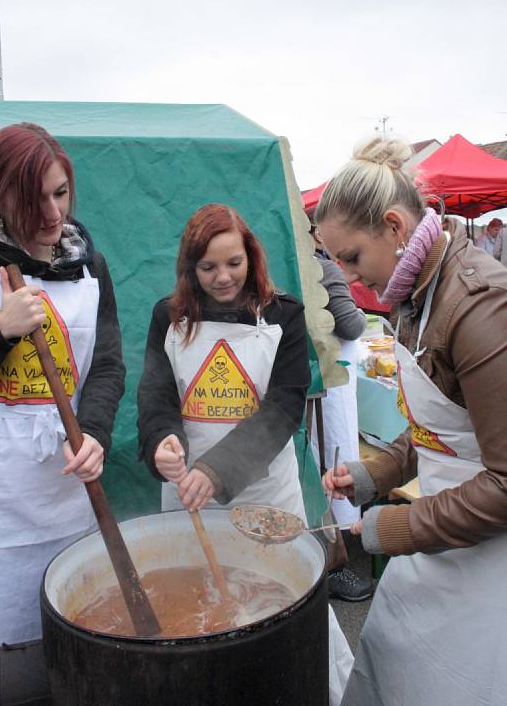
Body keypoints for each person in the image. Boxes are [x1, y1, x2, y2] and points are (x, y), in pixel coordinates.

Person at [316, 136, 507, 706]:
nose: (349, 279)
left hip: (486, 560)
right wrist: (378, 473)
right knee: (393, 667)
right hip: (438, 539)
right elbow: (442, 427)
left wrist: (390, 528)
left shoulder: (478, 308)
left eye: (352, 258)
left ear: (396, 229)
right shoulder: (413, 294)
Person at [137, 203, 354, 706]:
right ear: (190, 268)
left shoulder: (284, 316)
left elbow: (283, 408)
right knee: (199, 609)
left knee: (282, 607)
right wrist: (161, 442)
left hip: (265, 498)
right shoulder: (168, 317)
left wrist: (217, 469)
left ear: (251, 256)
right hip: (188, 495)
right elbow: (156, 396)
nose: (222, 277)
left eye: (233, 263)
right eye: (207, 267)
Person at [0, 123, 125, 651]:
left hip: (66, 495)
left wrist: (96, 433)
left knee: (70, 637)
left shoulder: (90, 267)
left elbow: (106, 365)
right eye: (34, 200)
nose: (55, 215)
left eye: (61, 194)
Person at [308, 222, 374, 603]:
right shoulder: (324, 268)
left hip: (309, 379)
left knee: (318, 467)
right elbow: (350, 325)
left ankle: (324, 562)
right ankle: (335, 565)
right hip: (325, 384)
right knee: (331, 460)